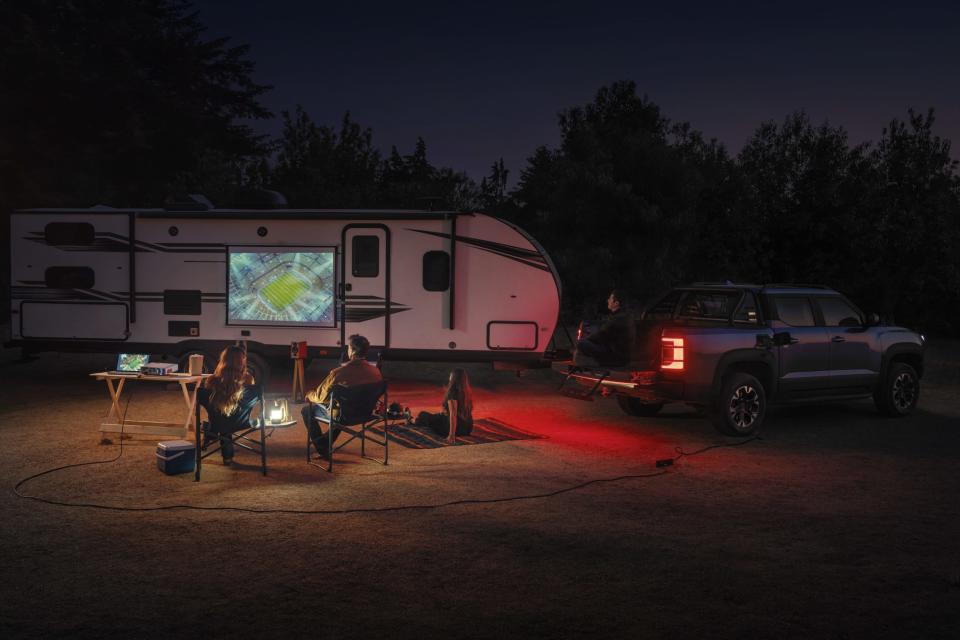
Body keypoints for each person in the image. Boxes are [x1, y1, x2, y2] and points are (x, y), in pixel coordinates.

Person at [301, 334, 383, 455]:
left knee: (307, 410)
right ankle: (324, 443)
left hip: (345, 415)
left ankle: (321, 446)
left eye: (348, 347)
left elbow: (320, 397)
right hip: (366, 413)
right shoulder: (376, 372)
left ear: (353, 351)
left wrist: (309, 394)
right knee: (342, 404)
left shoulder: (338, 373)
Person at [199, 344, 257, 465]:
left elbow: (211, 405)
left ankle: (211, 433)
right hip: (240, 422)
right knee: (228, 418)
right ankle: (226, 455)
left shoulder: (211, 380)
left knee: (221, 417)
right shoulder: (248, 379)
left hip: (217, 422)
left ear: (223, 360)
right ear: (242, 361)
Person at [413, 368, 474, 443]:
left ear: (453, 378)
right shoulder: (467, 391)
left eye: (450, 375)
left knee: (422, 415)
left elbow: (453, 414)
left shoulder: (452, 392)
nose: (449, 377)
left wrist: (451, 435)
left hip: (455, 429)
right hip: (467, 429)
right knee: (437, 416)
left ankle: (414, 424)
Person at [575, 289, 634, 366]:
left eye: (610, 299)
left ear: (616, 303)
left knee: (581, 343)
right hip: (620, 354)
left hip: (616, 357)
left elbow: (601, 336)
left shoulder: (618, 319)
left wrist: (586, 340)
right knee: (588, 342)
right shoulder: (624, 316)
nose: (608, 300)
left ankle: (595, 363)